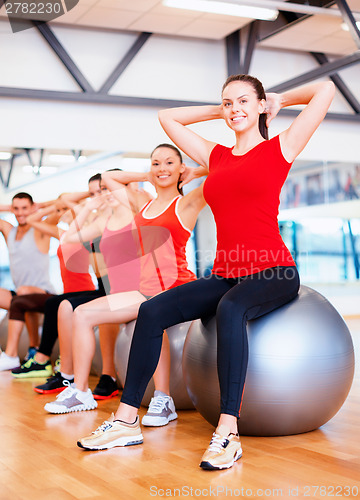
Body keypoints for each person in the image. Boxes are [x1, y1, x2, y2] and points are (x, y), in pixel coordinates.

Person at [76, 75, 335, 470]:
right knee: (151, 312)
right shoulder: (216, 156)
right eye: (228, 103)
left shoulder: (281, 147)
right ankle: (127, 419)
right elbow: (168, 118)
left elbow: (326, 89)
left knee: (231, 310)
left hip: (274, 271)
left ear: (261, 104)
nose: (235, 109)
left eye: (243, 102)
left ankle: (228, 431)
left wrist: (276, 100)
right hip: (226, 272)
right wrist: (222, 110)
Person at [44, 144, 206, 423]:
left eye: (169, 163)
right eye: (156, 163)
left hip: (175, 285)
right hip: (142, 289)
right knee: (82, 314)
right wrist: (149, 173)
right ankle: (80, 392)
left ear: (181, 168)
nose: (162, 168)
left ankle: (163, 399)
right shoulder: (142, 205)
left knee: (154, 315)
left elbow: (225, 168)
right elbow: (109, 177)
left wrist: (194, 171)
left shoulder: (187, 203)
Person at [10, 177, 102, 379]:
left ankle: (44, 360)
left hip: (85, 288)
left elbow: (71, 202)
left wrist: (84, 198)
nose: (60, 214)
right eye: (59, 211)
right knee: (54, 304)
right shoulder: (62, 233)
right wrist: (49, 207)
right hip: (68, 291)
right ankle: (49, 359)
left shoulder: (88, 231)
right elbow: (33, 220)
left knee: (54, 304)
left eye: (63, 210)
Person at [0, 192, 55, 371]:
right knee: (21, 293)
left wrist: (38, 207)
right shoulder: (10, 231)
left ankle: (32, 348)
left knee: (24, 292)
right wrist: (10, 209)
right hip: (20, 294)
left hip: (45, 294)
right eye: (16, 208)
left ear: (32, 207)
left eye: (25, 208)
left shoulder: (40, 229)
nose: (20, 212)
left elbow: (61, 204)